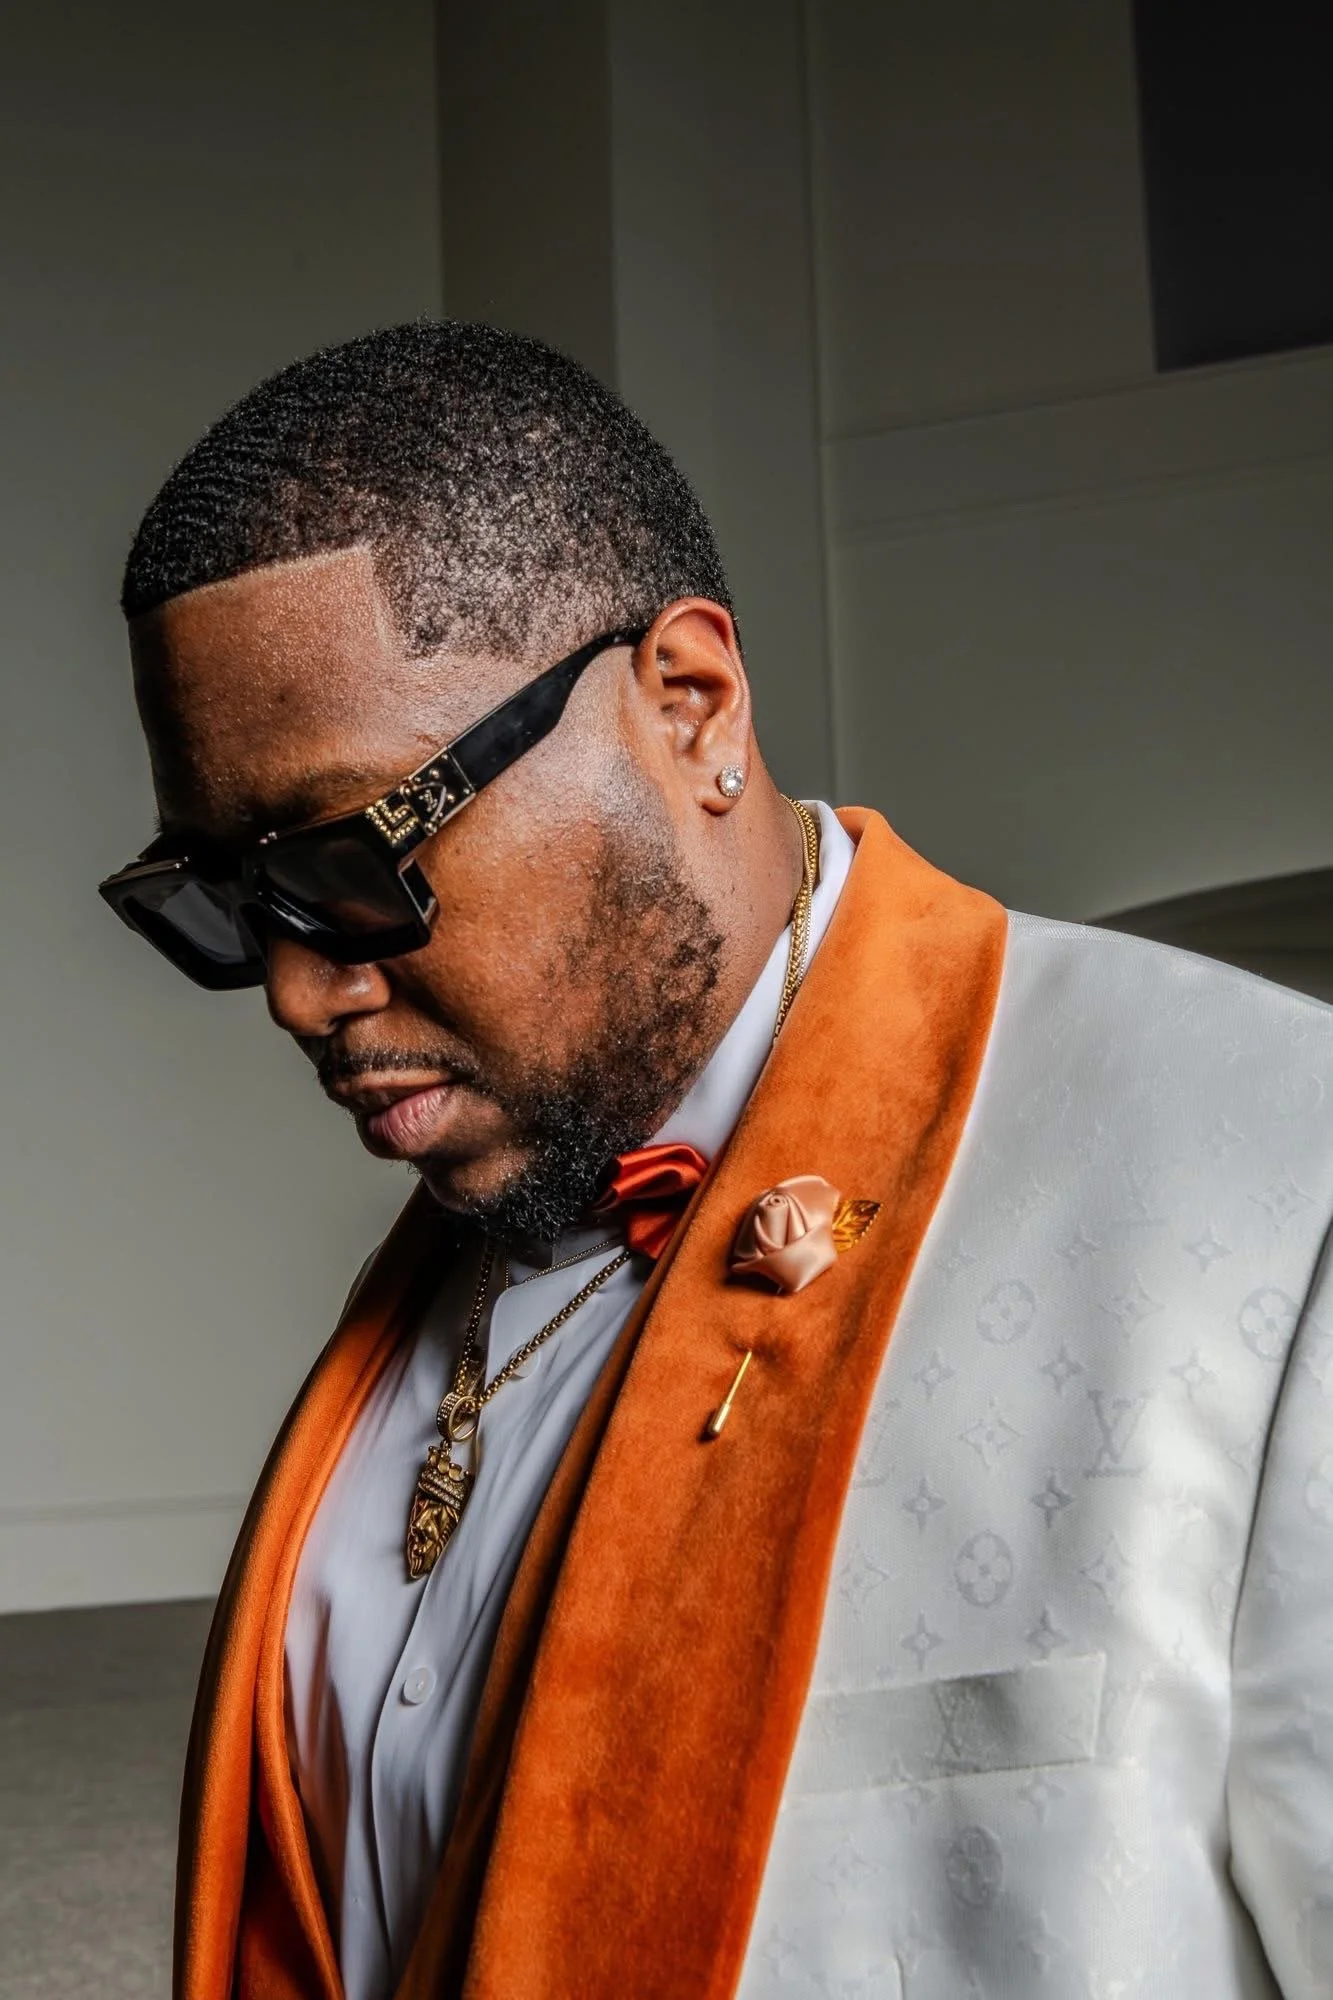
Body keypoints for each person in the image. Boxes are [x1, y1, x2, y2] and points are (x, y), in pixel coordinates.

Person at [102, 321, 1333, 2000]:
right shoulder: (428, 1294)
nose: (302, 990)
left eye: (349, 858)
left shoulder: (1282, 1183)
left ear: (688, 704)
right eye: (227, 904)